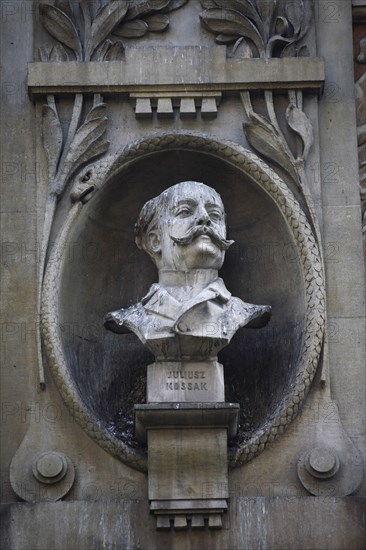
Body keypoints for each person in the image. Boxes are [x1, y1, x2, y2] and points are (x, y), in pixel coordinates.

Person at [104, 181, 271, 359]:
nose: (204, 218)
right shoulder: (134, 317)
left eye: (215, 215)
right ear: (155, 241)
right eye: (185, 211)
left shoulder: (240, 312)